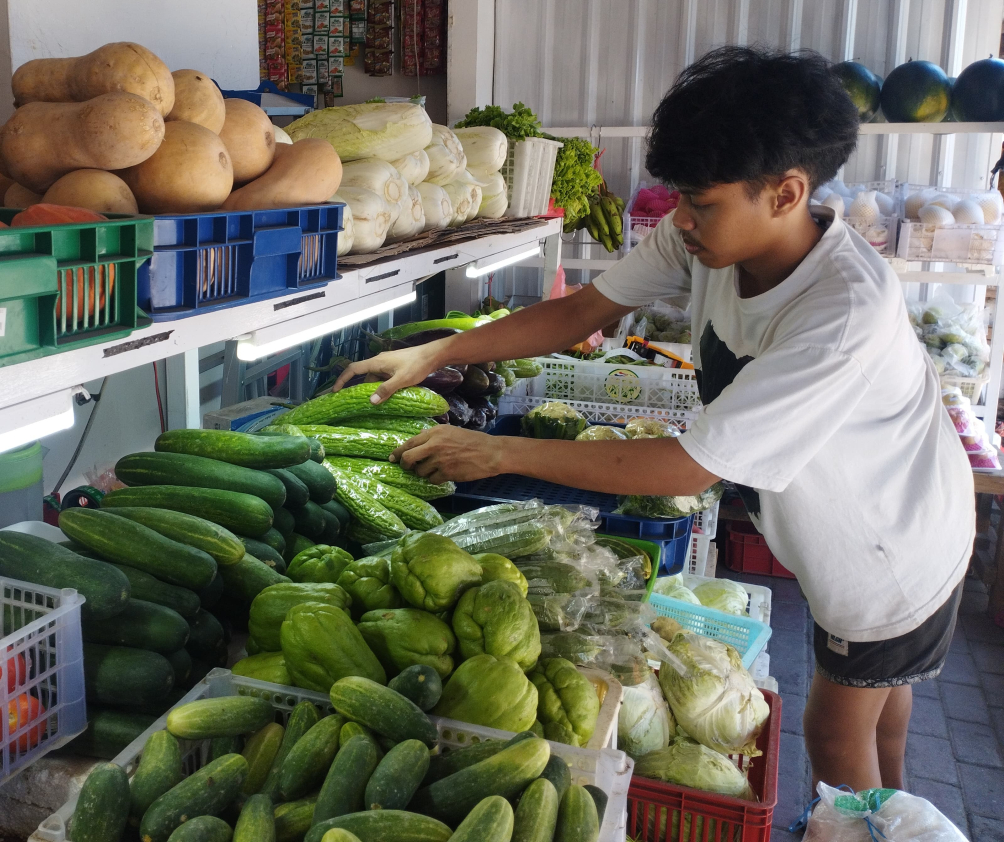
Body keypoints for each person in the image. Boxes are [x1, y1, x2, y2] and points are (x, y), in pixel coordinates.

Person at [333, 46, 974, 793]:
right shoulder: (706, 240)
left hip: (890, 548)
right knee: (880, 716)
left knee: (837, 732)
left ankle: (875, 821)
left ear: (785, 193)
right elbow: (582, 310)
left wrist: (498, 452)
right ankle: (890, 819)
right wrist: (438, 349)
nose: (681, 219)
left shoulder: (839, 317)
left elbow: (687, 467)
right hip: (862, 520)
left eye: (701, 202)